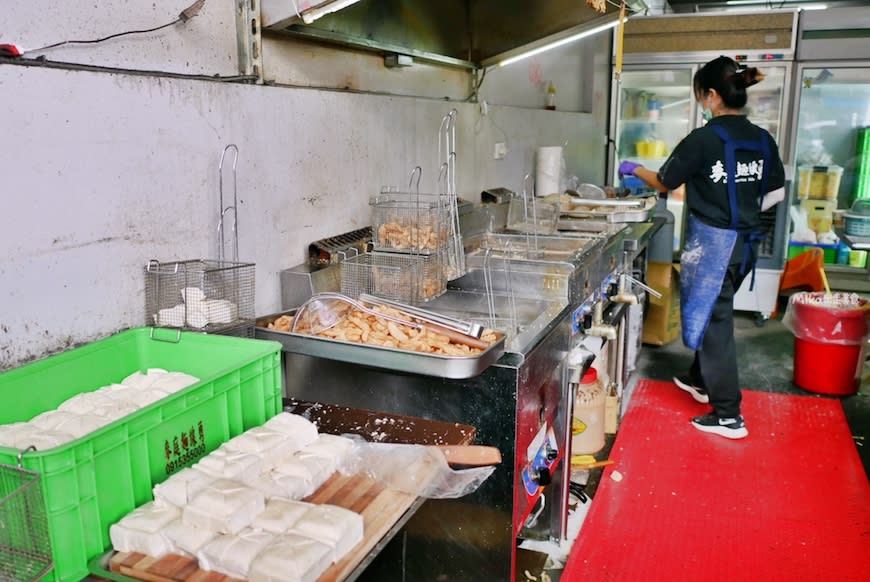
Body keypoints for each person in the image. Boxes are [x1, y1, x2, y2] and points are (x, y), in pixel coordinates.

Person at [619, 56, 786, 440]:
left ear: (711, 95)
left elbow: (664, 181)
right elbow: (774, 193)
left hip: (713, 244)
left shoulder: (703, 138)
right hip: (747, 243)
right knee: (714, 313)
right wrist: (741, 211)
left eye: (700, 95)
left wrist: (632, 169)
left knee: (715, 322)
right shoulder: (762, 138)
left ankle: (729, 415)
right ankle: (700, 380)